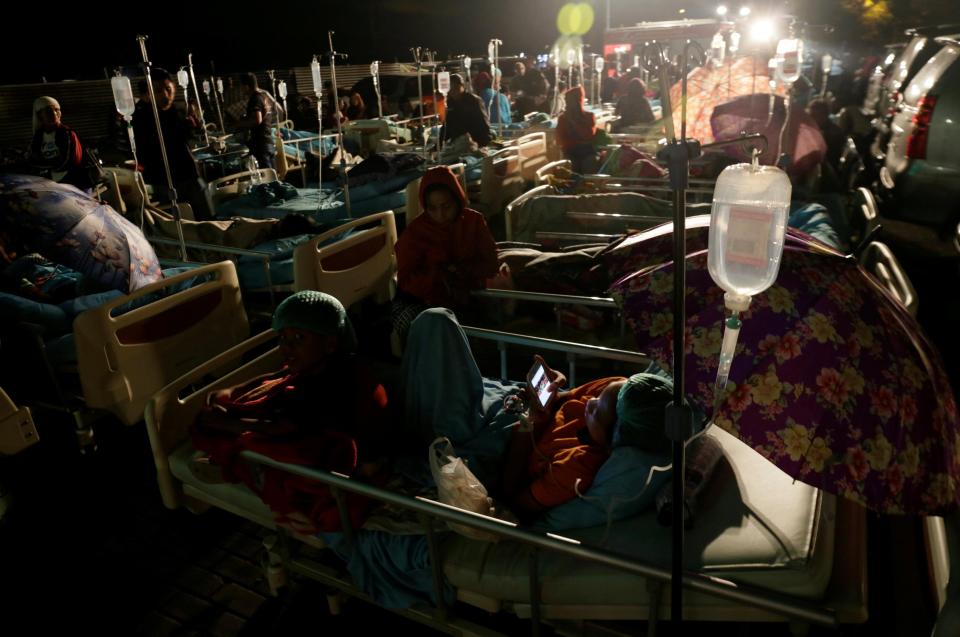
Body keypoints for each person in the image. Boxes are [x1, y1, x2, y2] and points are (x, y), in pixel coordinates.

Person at [401, 308, 673, 523]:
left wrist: (528, 425)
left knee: (433, 323)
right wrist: (555, 386)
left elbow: (510, 497)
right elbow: (568, 397)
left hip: (487, 442)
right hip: (507, 402)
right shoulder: (617, 390)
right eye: (600, 396)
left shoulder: (576, 468)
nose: (591, 401)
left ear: (613, 438)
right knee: (438, 326)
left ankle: (412, 425)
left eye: (597, 411)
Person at [190, 291, 391, 531]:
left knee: (257, 443)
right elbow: (281, 376)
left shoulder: (335, 381)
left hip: (351, 462)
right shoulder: (326, 364)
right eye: (282, 338)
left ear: (330, 343)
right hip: (330, 433)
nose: (286, 347)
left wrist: (229, 425)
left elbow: (290, 427)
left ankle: (233, 464)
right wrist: (234, 391)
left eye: (298, 338)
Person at [392, 165, 499, 344]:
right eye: (432, 208)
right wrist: (437, 273)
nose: (440, 214)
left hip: (466, 293)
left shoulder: (473, 222)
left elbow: (491, 263)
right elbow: (406, 281)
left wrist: (461, 271)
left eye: (446, 206)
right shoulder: (415, 233)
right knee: (435, 333)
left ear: (457, 200)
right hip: (421, 301)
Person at [132, 68, 214, 220]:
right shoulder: (140, 117)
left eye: (168, 89)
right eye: (157, 90)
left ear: (174, 88)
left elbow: (191, 139)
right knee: (182, 225)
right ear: (147, 94)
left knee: (207, 220)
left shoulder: (176, 111)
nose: (165, 95)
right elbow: (142, 151)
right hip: (164, 183)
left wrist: (194, 125)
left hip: (190, 176)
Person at [28, 97, 97, 191]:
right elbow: (32, 160)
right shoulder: (38, 136)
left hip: (76, 183)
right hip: (53, 184)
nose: (54, 114)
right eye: (48, 111)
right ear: (39, 115)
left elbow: (70, 162)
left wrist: (44, 164)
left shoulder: (66, 133)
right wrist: (52, 163)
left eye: (56, 110)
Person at [233, 72, 277, 170]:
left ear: (246, 86)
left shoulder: (255, 99)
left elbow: (258, 120)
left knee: (268, 178)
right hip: (268, 141)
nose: (241, 90)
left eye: (241, 87)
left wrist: (239, 124)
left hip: (261, 143)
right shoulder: (263, 96)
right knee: (273, 176)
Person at [442, 73, 492, 147]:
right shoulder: (450, 103)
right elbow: (447, 125)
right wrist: (439, 143)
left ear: (462, 86)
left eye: (455, 88)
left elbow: (484, 124)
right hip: (458, 143)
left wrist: (482, 144)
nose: (453, 91)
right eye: (450, 89)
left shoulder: (474, 100)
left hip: (475, 142)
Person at [557, 86, 598, 174]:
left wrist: (574, 122)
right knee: (571, 165)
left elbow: (589, 135)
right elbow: (560, 140)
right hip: (570, 151)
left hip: (587, 152)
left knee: (589, 164)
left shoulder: (589, 116)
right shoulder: (563, 119)